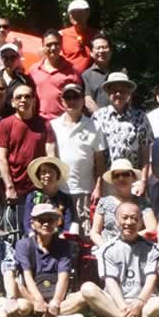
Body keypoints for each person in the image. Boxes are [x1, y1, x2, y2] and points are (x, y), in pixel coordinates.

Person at [79, 201, 159, 317]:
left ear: (140, 222)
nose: (129, 222)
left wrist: (139, 304)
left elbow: (151, 279)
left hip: (143, 302)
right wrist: (124, 307)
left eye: (134, 218)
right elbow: (110, 282)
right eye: (124, 218)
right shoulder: (106, 249)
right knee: (87, 289)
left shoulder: (154, 249)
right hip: (115, 301)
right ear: (116, 221)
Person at [14, 203, 85, 317]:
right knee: (15, 284)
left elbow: (63, 277)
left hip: (59, 298)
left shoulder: (65, 246)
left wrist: (56, 302)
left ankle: (39, 316)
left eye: (51, 220)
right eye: (41, 220)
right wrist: (38, 300)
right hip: (32, 296)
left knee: (84, 295)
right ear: (32, 224)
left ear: (57, 223)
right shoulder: (23, 245)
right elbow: (27, 275)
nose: (46, 224)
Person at [0, 84, 53, 223]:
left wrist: (48, 184)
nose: (23, 100)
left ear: (33, 100)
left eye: (27, 96)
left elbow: (50, 155)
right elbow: (2, 158)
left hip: (37, 187)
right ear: (12, 102)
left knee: (37, 226)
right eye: (19, 97)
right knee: (15, 227)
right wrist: (9, 186)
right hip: (15, 187)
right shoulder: (4, 124)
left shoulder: (44, 124)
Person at [91, 72, 151, 201]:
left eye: (123, 91)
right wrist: (98, 185)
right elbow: (96, 155)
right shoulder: (98, 117)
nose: (118, 94)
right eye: (114, 91)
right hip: (108, 180)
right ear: (108, 93)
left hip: (133, 180)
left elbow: (145, 154)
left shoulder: (140, 117)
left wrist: (143, 181)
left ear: (129, 93)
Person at [52, 82, 107, 218]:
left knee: (84, 228)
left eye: (75, 97)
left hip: (85, 190)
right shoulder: (53, 125)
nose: (71, 101)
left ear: (83, 100)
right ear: (62, 101)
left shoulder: (95, 126)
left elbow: (100, 161)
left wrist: (98, 187)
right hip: (60, 190)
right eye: (68, 98)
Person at [27, 31, 82, 121]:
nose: (53, 48)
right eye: (49, 45)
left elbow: (79, 99)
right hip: (39, 121)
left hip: (63, 121)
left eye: (56, 44)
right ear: (43, 47)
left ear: (61, 46)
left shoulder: (72, 71)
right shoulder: (34, 70)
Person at [20, 157, 77, 234]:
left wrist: (62, 236)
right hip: (36, 237)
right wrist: (32, 236)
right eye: (43, 172)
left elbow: (68, 224)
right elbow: (27, 224)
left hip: (59, 238)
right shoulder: (32, 197)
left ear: (57, 175)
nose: (47, 175)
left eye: (51, 171)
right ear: (39, 175)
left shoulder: (65, 199)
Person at [59, 0, 97, 72]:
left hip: (90, 77)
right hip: (68, 77)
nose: (76, 16)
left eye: (80, 12)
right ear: (69, 16)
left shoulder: (96, 35)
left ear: (88, 13)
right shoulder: (61, 35)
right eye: (73, 13)